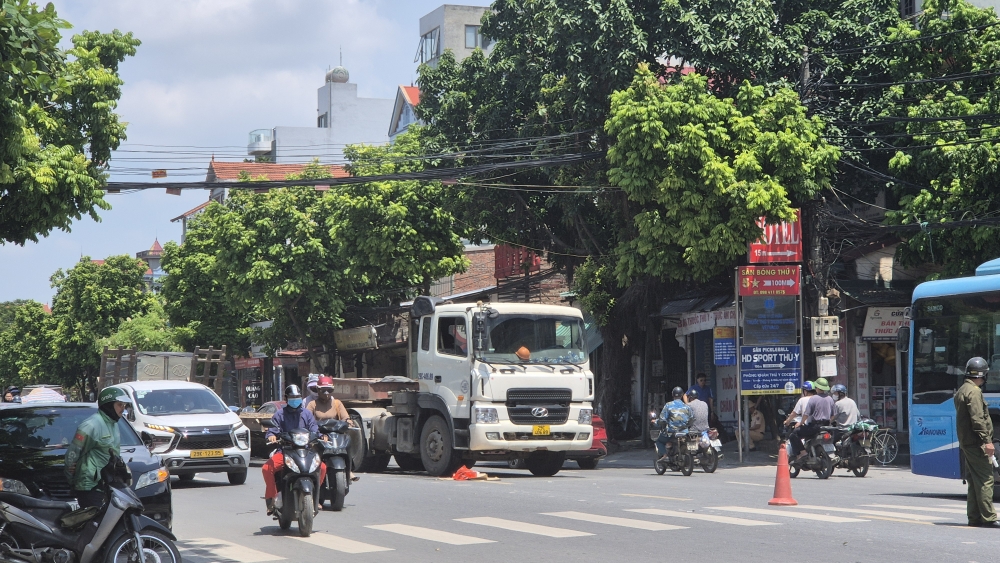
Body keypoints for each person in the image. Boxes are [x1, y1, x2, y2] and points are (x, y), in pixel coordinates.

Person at [262, 384, 326, 515]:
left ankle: (315, 496)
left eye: (297, 397)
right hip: (286, 451)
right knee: (267, 469)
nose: (295, 400)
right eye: (292, 397)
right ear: (286, 399)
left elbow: (314, 429)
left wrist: (321, 436)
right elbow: (272, 430)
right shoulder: (279, 415)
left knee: (323, 467)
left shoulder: (307, 414)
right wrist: (272, 436)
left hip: (306, 451)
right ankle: (272, 498)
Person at [65, 386, 129, 508]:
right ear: (109, 405)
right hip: (89, 486)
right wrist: (72, 480)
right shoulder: (91, 426)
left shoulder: (113, 424)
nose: (123, 408)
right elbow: (71, 456)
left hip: (106, 484)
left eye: (124, 405)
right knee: (94, 524)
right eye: (120, 405)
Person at [954, 356, 998, 527]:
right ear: (982, 375)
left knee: (973, 480)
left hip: (967, 442)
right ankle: (988, 517)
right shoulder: (974, 392)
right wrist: (987, 441)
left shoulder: (963, 389)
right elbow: (978, 419)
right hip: (975, 443)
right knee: (986, 479)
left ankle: (974, 517)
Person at [307, 375, 358, 482]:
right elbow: (307, 420)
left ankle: (348, 469)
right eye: (323, 390)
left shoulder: (337, 403)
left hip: (336, 435)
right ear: (317, 390)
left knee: (348, 442)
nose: (326, 393)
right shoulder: (312, 404)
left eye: (329, 390)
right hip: (320, 436)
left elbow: (345, 417)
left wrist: (349, 421)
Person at [791, 379, 835, 459]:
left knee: (794, 434)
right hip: (827, 427)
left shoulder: (814, 398)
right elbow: (833, 415)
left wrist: (800, 423)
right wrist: (829, 422)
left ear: (817, 387)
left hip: (815, 427)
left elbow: (806, 414)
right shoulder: (830, 399)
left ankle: (803, 453)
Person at [655, 387, 693, 460]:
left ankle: (665, 455)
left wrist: (657, 422)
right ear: (682, 395)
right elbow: (691, 419)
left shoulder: (668, 405)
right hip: (684, 433)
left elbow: (662, 419)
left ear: (673, 395)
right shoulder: (687, 406)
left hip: (672, 432)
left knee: (659, 441)